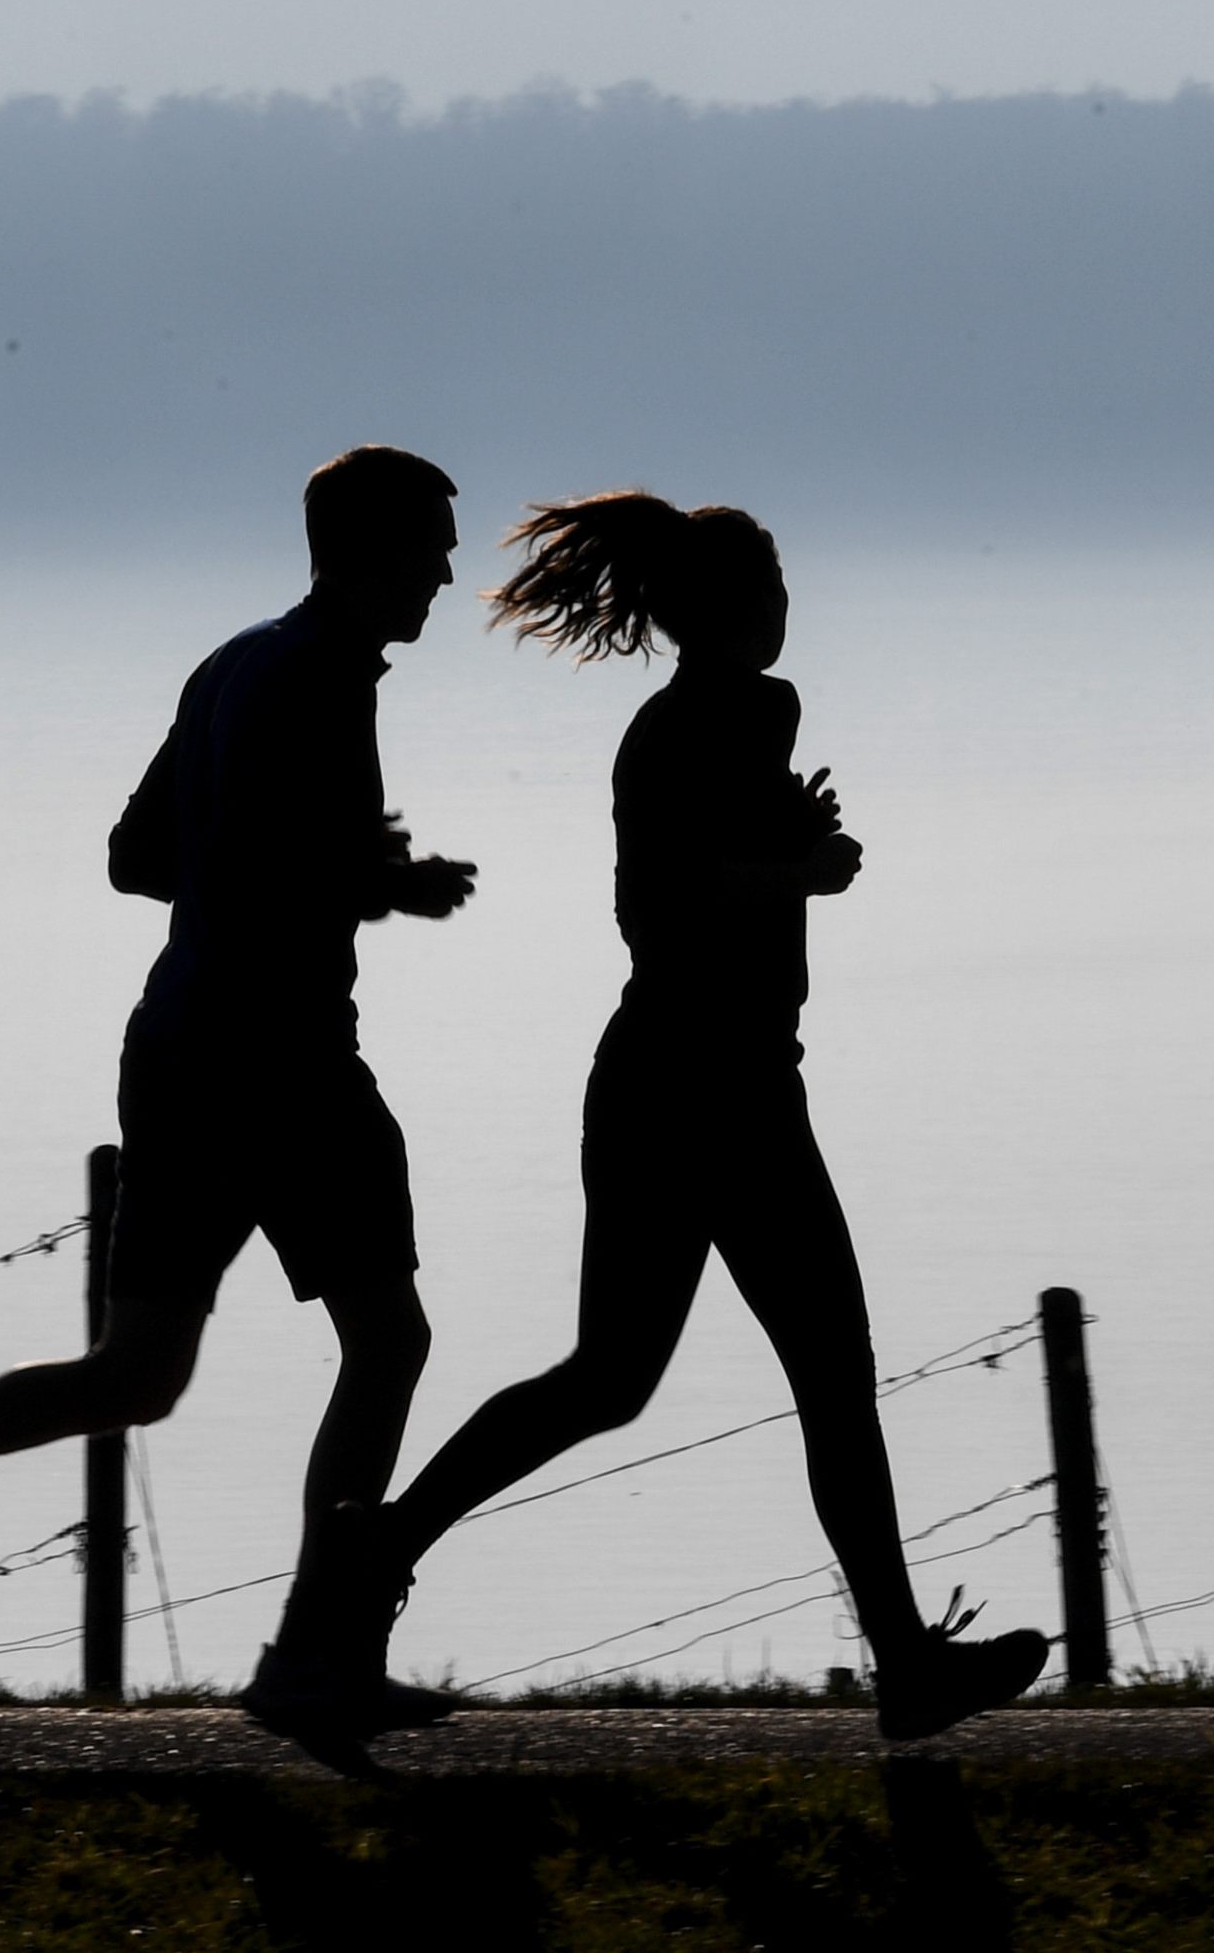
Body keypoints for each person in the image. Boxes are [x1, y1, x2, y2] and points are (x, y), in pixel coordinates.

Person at [246, 490, 1045, 1747]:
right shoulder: (725, 717)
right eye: (777, 595)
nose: (788, 617)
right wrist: (801, 867)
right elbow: (672, 899)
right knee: (821, 1372)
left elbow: (693, 873)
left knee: (611, 1378)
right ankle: (901, 1667)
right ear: (744, 608)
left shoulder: (686, 728)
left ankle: (383, 1541)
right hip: (712, 1085)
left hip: (664, 1082)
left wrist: (784, 844)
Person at [0, 445, 479, 1686]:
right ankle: (319, 1649)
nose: (449, 571)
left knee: (138, 1376)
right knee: (389, 1340)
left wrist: (331, 864)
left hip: (180, 1051)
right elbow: (252, 862)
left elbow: (138, 856)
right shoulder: (310, 676)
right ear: (367, 551)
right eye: (432, 543)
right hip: (282, 1059)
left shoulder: (235, 663)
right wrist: (379, 880)